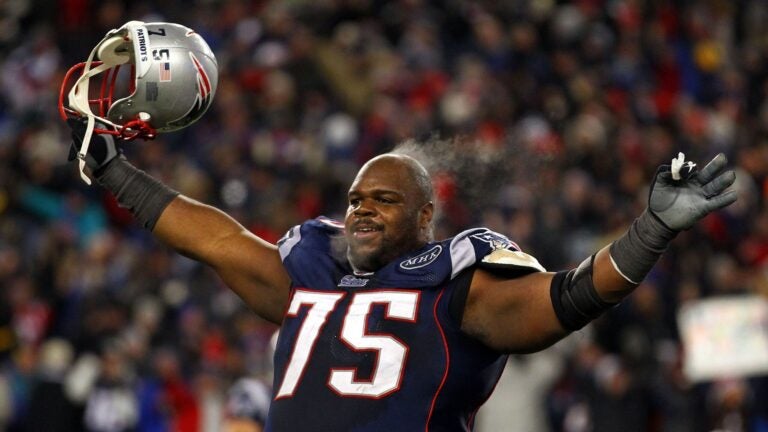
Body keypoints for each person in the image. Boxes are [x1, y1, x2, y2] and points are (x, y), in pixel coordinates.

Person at [66, 110, 736, 430]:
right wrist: (113, 170)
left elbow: (565, 300)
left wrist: (651, 232)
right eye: (355, 198)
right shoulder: (310, 272)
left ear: (424, 219)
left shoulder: (456, 280)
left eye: (383, 200)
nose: (361, 209)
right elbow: (215, 239)